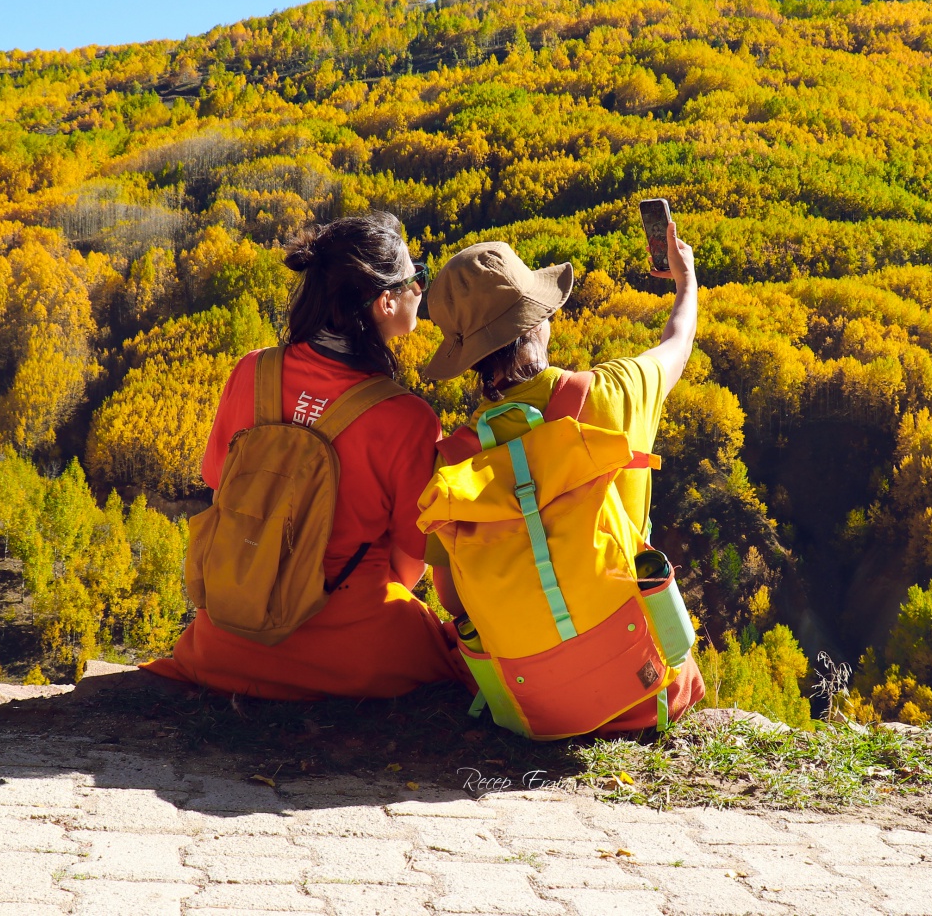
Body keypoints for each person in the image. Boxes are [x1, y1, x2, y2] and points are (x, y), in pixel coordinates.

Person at [144, 212, 467, 699]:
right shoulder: (407, 418)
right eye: (416, 278)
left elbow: (219, 486)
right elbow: (410, 559)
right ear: (385, 301)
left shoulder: (252, 371)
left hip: (226, 642)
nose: (423, 287)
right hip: (356, 652)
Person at [418, 218, 705, 731]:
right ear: (539, 323)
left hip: (534, 711)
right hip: (647, 694)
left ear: (467, 358)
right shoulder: (609, 393)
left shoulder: (453, 461)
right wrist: (687, 286)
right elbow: (677, 343)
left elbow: (453, 599)